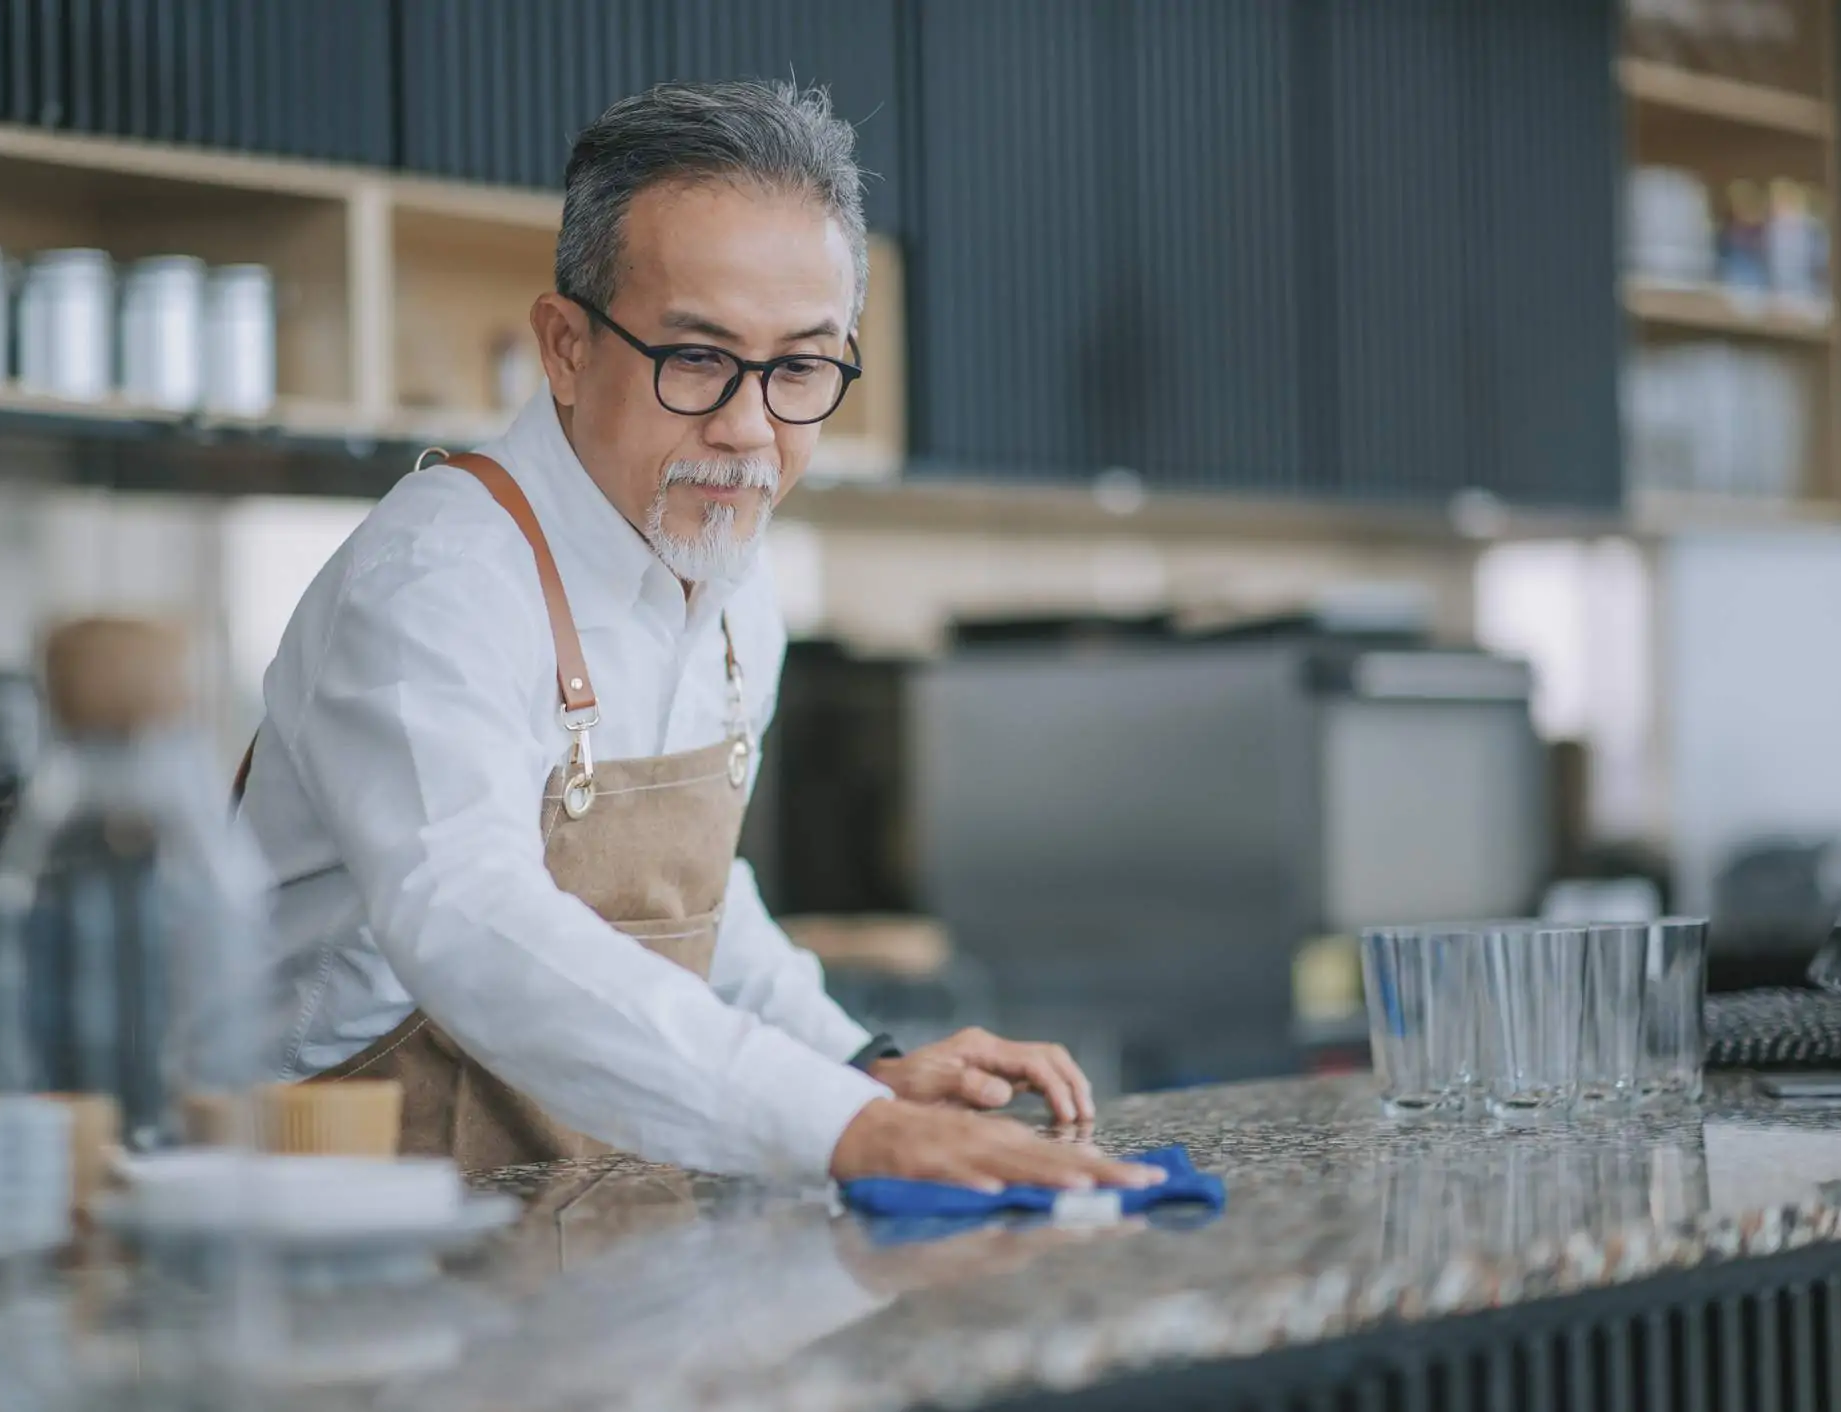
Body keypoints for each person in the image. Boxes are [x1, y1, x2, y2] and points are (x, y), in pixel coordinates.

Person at [237, 78, 1158, 1193]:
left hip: (567, 1223)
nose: (747, 428)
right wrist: (841, 1127)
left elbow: (693, 904)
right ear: (566, 345)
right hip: (333, 1223)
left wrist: (863, 1065)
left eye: (801, 367)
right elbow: (472, 922)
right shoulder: (438, 579)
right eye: (695, 357)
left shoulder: (730, 580)